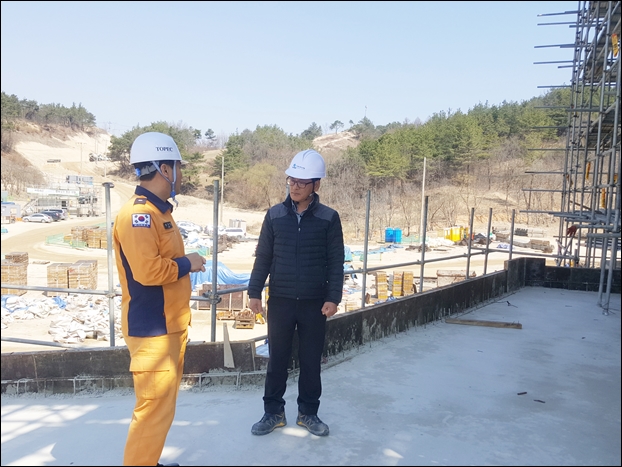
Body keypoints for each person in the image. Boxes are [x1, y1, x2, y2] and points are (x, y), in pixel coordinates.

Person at [113, 131, 206, 466]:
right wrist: (189, 263)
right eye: (177, 167)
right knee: (152, 411)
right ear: (165, 169)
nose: (180, 174)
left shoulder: (160, 212)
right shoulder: (138, 215)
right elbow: (148, 272)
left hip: (170, 326)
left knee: (162, 409)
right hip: (152, 329)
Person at [248, 149, 344, 437]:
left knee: (311, 361)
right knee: (277, 360)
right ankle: (273, 413)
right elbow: (263, 256)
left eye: (302, 182)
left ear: (316, 184)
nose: (295, 187)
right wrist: (254, 291)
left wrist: (333, 297)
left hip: (315, 303)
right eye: (292, 181)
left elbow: (335, 261)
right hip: (281, 301)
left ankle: (308, 413)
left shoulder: (329, 218)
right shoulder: (274, 215)